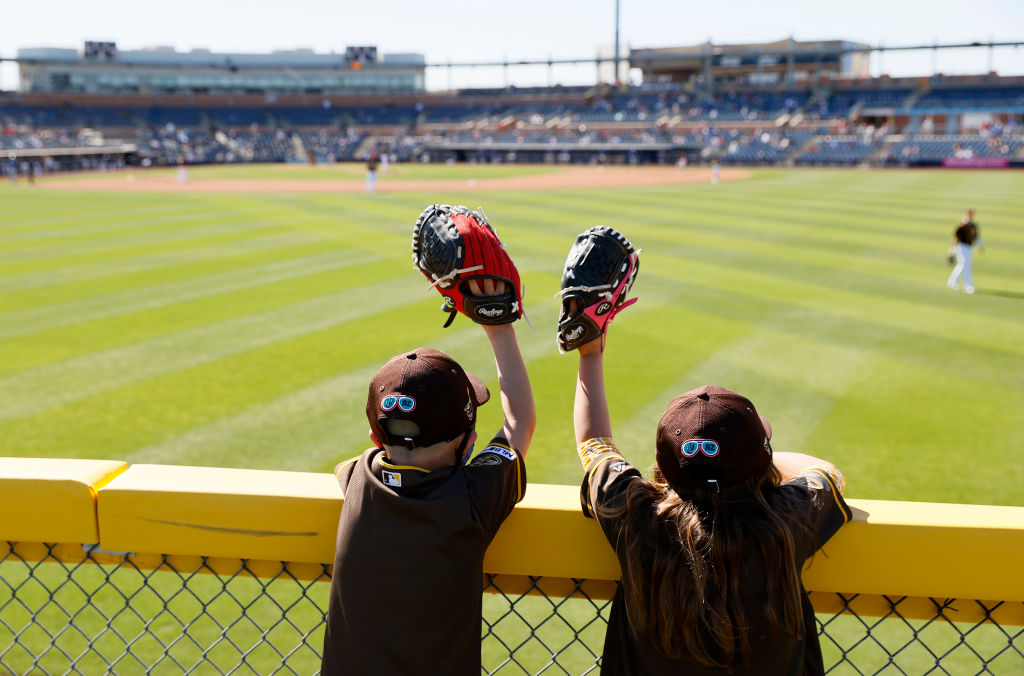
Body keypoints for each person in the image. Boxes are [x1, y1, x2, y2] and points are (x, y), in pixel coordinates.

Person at [571, 331, 851, 674]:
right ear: (760, 462)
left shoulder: (636, 515)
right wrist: (759, 455)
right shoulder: (787, 520)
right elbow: (827, 472)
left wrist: (590, 354)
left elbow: (594, 444)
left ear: (663, 466)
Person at [321, 279, 535, 676]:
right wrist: (498, 324)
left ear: (374, 437)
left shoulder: (357, 476)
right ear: (469, 444)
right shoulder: (472, 498)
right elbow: (519, 420)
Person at [947, 209, 985, 294]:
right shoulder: (961, 225)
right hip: (960, 247)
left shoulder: (974, 225)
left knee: (963, 264)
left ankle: (953, 281)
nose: (970, 216)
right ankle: (968, 285)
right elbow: (955, 238)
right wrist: (951, 251)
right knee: (965, 264)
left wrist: (980, 246)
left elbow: (976, 237)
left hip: (969, 247)